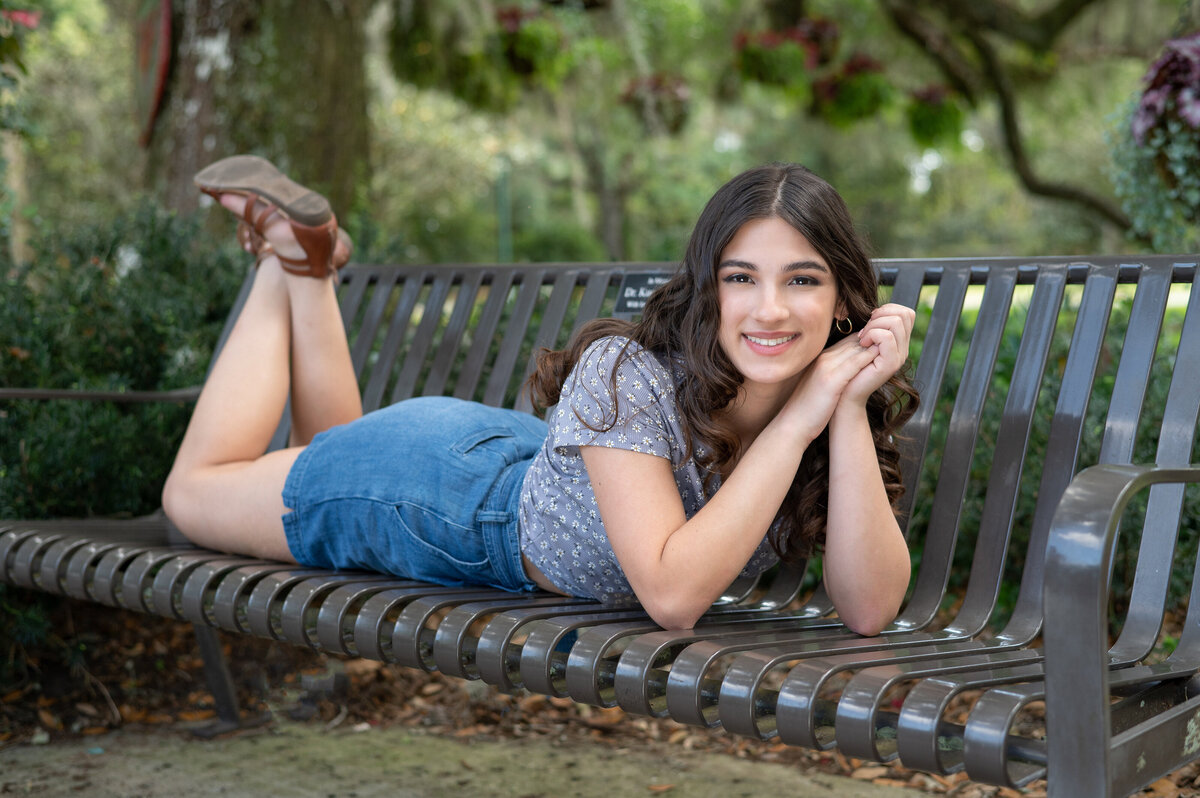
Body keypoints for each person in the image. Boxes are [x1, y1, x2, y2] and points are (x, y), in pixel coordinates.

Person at [163, 158, 917, 635]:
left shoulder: (820, 401)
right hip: (440, 497)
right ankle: (284, 268)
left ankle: (303, 262)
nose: (771, 310)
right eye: (741, 277)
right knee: (193, 494)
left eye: (803, 279)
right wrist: (803, 418)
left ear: (847, 299)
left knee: (327, 453)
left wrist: (847, 402)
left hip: (489, 466)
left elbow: (869, 607)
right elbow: (673, 595)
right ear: (709, 287)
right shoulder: (627, 372)